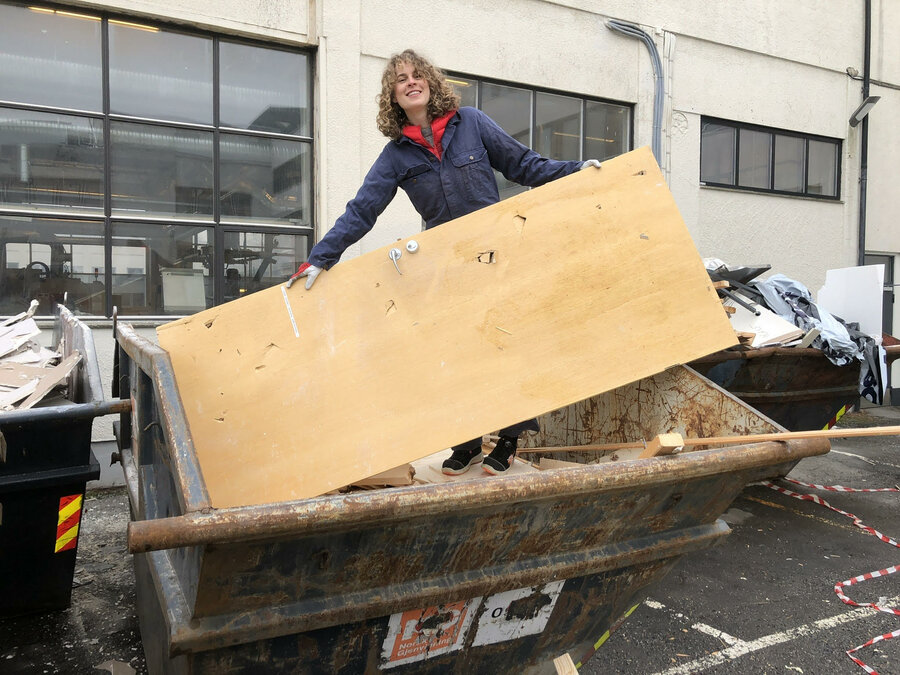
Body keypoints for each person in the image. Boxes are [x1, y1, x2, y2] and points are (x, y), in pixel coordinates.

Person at [287, 48, 601, 476]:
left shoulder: (470, 123)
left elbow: (523, 165)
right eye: (401, 79)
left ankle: (508, 441)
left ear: (430, 83)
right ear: (393, 96)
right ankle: (468, 441)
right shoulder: (397, 154)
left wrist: (576, 170)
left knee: (504, 344)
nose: (411, 82)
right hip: (448, 268)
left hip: (496, 258)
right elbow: (362, 209)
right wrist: (319, 259)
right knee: (455, 352)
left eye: (418, 75)